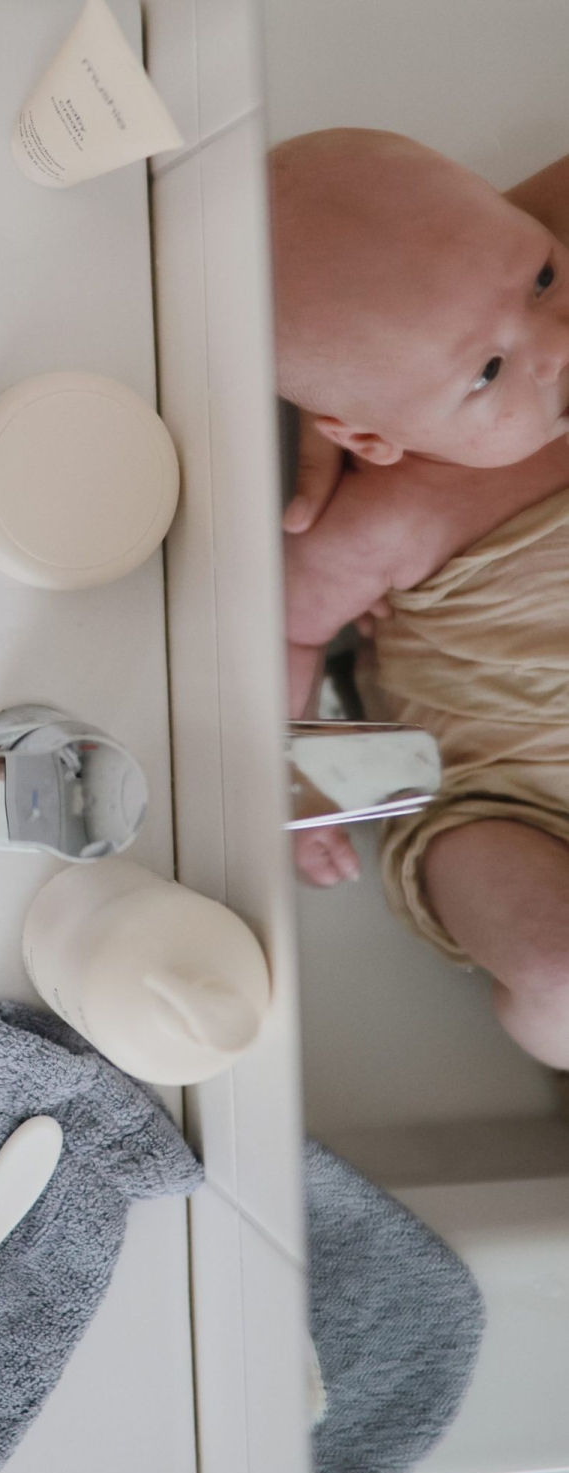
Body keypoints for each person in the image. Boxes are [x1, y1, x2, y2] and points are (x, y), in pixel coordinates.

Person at [271, 128, 569, 1068]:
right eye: (486, 373)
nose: (557, 345)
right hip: (509, 806)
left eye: (545, 279)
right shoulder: (392, 517)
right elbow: (281, 639)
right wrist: (299, 788)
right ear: (373, 435)